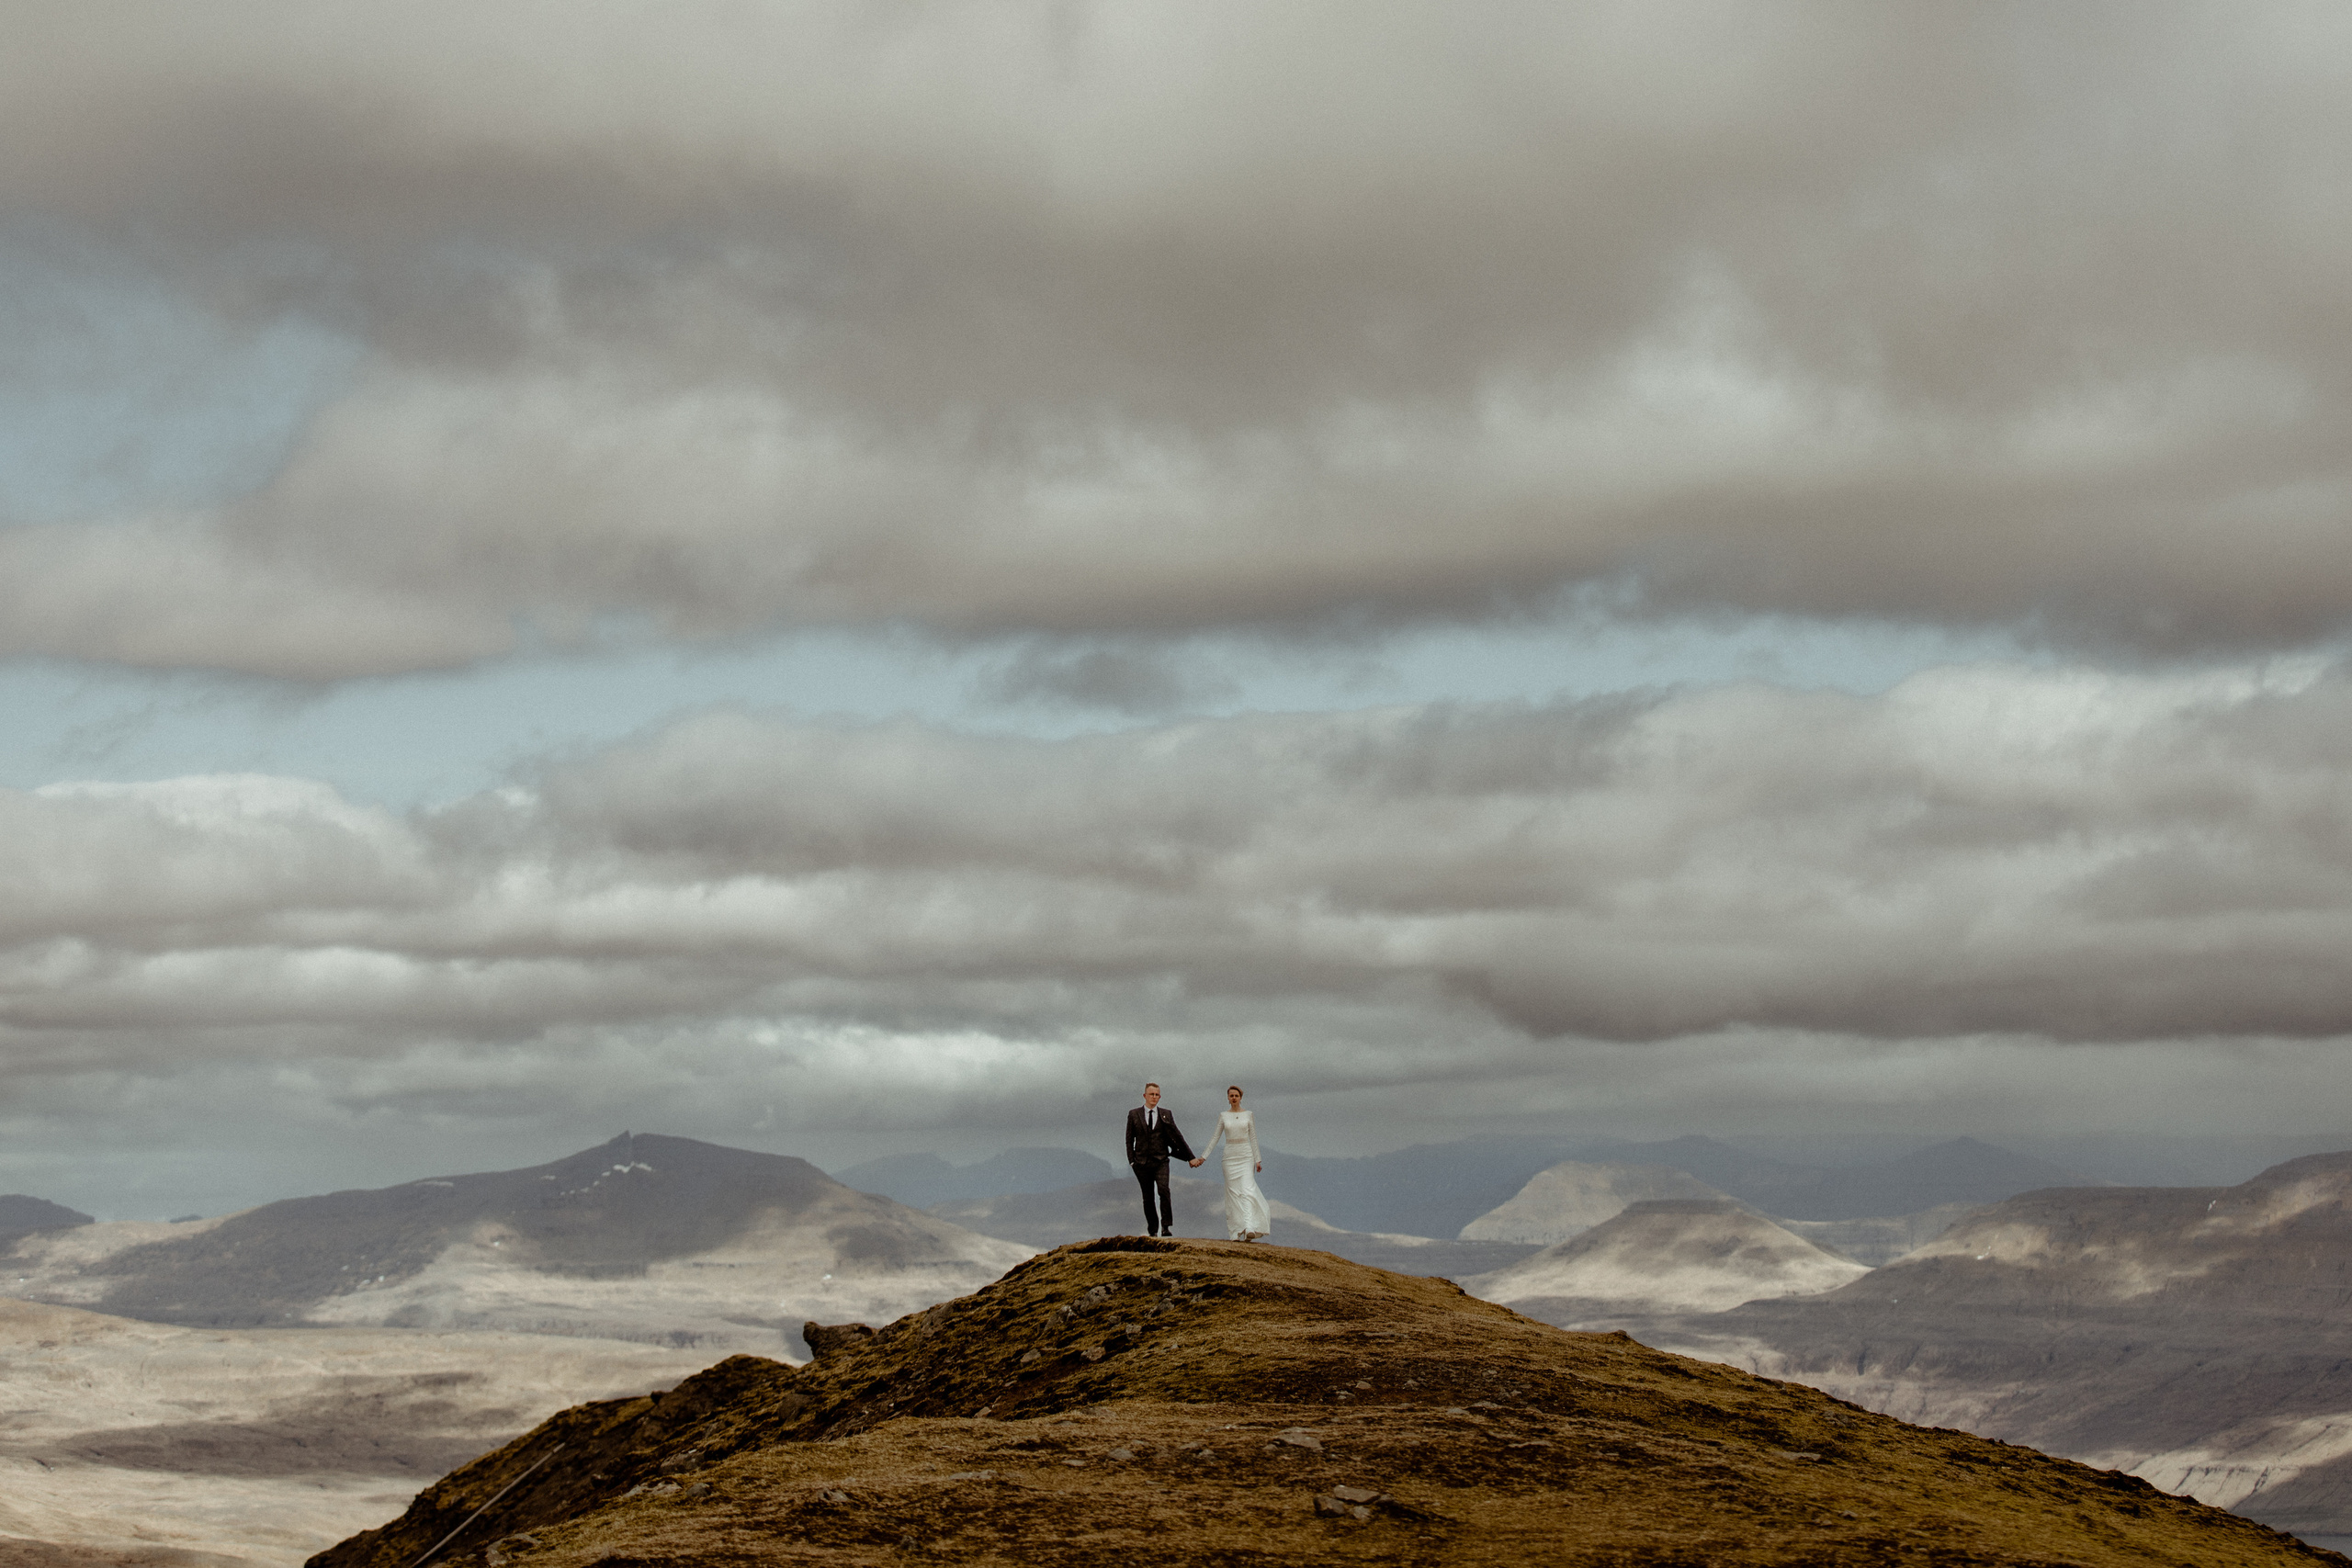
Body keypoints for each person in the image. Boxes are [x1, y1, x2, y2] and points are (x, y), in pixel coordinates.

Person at [1124, 1081, 1195, 1237]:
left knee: (1164, 1191)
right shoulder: (1134, 1114)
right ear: (1145, 1096)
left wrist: (1190, 1157)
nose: (1154, 1097)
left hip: (1161, 1160)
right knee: (1148, 1197)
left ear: (1160, 1097)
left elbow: (1177, 1136)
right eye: (1151, 1094)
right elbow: (1129, 1139)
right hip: (1141, 1163)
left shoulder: (1166, 1114)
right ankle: (1153, 1230)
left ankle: (1166, 1227)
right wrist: (1132, 1161)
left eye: (1157, 1095)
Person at [1201, 1083, 1270, 1242]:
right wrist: (1203, 1157)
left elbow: (1253, 1137)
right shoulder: (1223, 1116)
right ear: (1228, 1098)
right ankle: (1235, 1231)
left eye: (1236, 1096)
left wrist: (1258, 1159)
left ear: (1240, 1098)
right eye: (1231, 1095)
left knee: (1246, 1190)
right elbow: (1215, 1138)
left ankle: (1249, 1227)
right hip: (1229, 1157)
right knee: (1233, 1194)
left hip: (1246, 1156)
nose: (1234, 1098)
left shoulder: (1248, 1115)